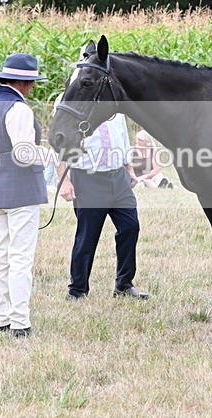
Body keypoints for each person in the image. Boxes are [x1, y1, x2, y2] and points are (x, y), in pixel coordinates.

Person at [0, 53, 51, 338]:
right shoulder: (19, 109)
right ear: (23, 82)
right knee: (20, 258)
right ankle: (20, 322)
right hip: (21, 190)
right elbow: (24, 153)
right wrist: (52, 155)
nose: (32, 88)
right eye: (31, 82)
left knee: (1, 256)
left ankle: (0, 317)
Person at [57, 113, 149, 301]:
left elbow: (123, 139)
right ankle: (77, 290)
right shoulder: (76, 101)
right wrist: (64, 181)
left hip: (118, 177)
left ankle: (124, 285)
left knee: (130, 227)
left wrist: (129, 169)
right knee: (88, 235)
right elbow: (60, 147)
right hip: (87, 178)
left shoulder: (117, 108)